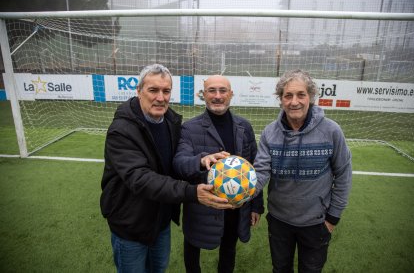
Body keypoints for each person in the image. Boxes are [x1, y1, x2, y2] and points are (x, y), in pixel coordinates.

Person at [100, 64, 233, 273]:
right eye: (153, 90)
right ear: (138, 91)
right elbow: (140, 178)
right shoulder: (121, 131)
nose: (160, 98)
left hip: (160, 220)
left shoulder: (171, 122)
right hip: (130, 223)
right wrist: (191, 192)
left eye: (166, 91)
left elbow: (176, 162)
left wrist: (200, 159)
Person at [253, 69, 352, 272]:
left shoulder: (332, 130)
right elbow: (261, 171)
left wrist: (332, 218)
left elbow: (343, 173)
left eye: (301, 95)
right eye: (288, 95)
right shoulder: (269, 133)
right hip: (279, 221)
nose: (294, 101)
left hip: (316, 222)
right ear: (280, 99)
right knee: (280, 269)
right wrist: (240, 192)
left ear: (311, 97)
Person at [173, 75, 265, 273]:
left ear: (231, 94)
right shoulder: (189, 128)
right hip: (201, 208)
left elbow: (253, 167)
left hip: (235, 206)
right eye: (211, 91)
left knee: (229, 250)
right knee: (192, 248)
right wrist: (200, 160)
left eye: (223, 91)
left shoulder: (244, 127)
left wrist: (256, 205)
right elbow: (179, 163)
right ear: (203, 95)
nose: (217, 96)